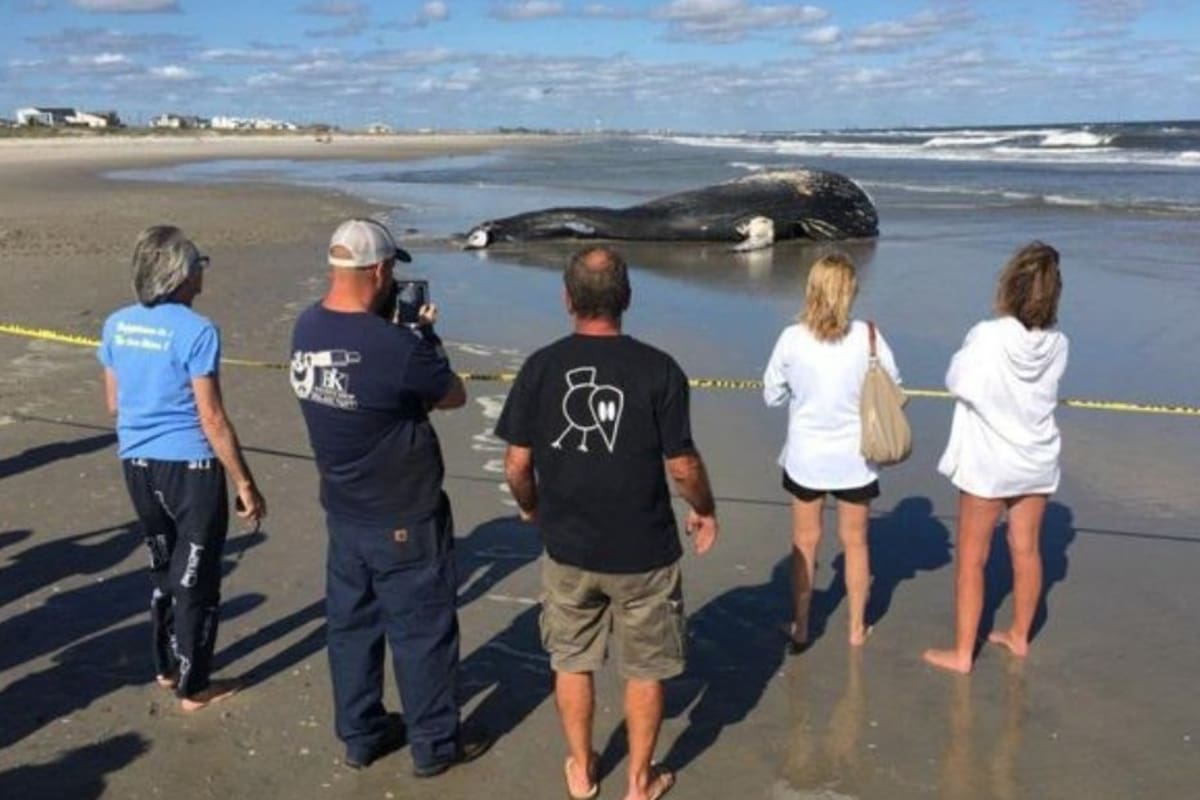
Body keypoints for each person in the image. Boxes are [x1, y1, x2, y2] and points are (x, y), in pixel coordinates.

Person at [495, 246, 718, 800]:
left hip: (570, 546)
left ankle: (582, 767)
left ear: (567, 299)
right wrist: (705, 508)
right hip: (641, 549)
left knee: (573, 660)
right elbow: (682, 465)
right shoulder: (659, 368)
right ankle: (639, 781)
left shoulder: (542, 366)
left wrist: (529, 506)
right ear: (626, 299)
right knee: (645, 668)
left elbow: (517, 464)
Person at [289, 218, 488, 776]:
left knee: (352, 626)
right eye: (391, 271)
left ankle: (361, 733)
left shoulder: (306, 328)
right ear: (378, 271)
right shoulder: (394, 346)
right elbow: (452, 394)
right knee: (422, 631)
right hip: (401, 511)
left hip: (344, 507)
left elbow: (379, 393)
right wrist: (423, 336)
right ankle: (434, 744)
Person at [98, 225, 266, 712]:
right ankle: (193, 686)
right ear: (178, 276)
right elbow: (212, 418)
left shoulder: (117, 324)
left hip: (137, 464)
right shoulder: (197, 330)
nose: (202, 274)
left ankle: (167, 667)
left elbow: (114, 403)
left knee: (165, 568)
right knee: (196, 578)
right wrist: (245, 483)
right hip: (188, 467)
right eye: (198, 266)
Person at [923, 241, 1068, 675]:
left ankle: (963, 653)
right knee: (1026, 551)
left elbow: (957, 380)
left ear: (1011, 285)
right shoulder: (1059, 343)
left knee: (972, 558)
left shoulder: (987, 335)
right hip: (1036, 458)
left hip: (990, 462)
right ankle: (1019, 636)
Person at [762, 252, 901, 652]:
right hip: (856, 458)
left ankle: (802, 627)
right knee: (856, 543)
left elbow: (772, 394)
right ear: (850, 292)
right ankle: (857, 628)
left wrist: (799, 390)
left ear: (812, 290)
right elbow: (895, 385)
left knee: (806, 542)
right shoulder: (869, 336)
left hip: (806, 456)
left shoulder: (792, 338)